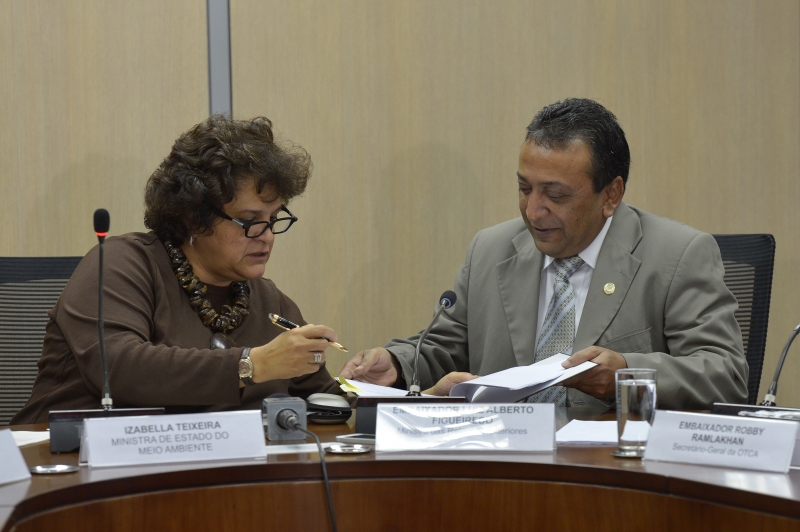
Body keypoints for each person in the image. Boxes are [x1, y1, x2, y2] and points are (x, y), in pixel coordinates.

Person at [341, 98, 748, 410]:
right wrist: (395, 363)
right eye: (524, 189)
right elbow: (445, 348)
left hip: (613, 475)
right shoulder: (491, 249)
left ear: (612, 195)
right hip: (503, 461)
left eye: (555, 195)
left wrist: (628, 374)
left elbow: (725, 374)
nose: (533, 211)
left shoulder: (676, 255)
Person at [13, 115, 345, 424]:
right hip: (66, 464)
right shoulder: (121, 264)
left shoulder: (271, 302)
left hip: (212, 472)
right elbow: (119, 369)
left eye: (272, 220)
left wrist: (366, 388)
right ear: (195, 218)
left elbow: (320, 397)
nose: (267, 236)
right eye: (249, 221)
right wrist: (252, 364)